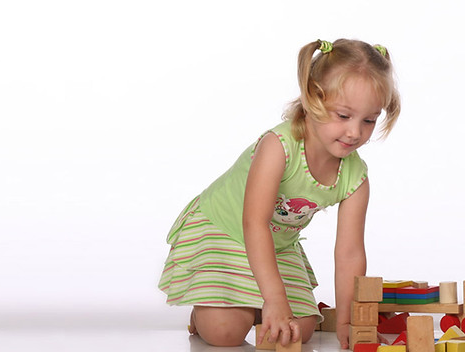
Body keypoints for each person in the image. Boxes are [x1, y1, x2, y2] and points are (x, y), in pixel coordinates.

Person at [158, 38, 400, 349]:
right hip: (227, 232)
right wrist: (275, 298)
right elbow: (253, 224)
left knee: (301, 329)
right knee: (224, 333)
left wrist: (348, 321)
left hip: (277, 247)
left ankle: (253, 304)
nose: (355, 132)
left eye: (369, 120)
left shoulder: (355, 177)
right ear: (312, 99)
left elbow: (350, 252)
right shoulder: (278, 147)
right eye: (343, 116)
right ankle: (211, 309)